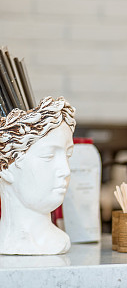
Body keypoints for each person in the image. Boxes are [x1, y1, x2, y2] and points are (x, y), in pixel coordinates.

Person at [0, 96, 76, 255]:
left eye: (67, 156)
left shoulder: (58, 242)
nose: (66, 170)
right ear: (6, 168)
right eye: (48, 156)